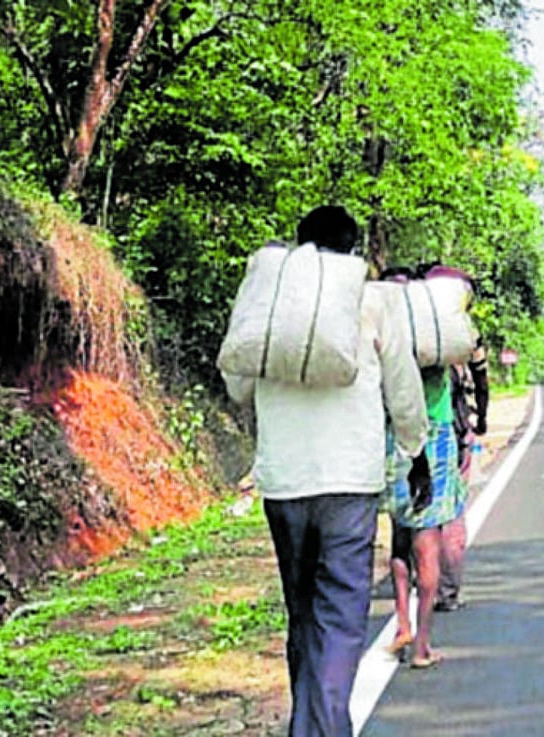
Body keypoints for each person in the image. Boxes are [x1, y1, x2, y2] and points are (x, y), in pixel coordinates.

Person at [222, 206, 429, 737]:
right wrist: (416, 451)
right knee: (339, 620)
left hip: (285, 482)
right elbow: (403, 386)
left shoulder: (273, 305)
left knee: (304, 615)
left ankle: (306, 726)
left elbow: (238, 386)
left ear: (300, 248)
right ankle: (329, 727)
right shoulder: (376, 300)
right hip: (350, 486)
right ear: (354, 252)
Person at [379, 266, 466, 668]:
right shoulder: (433, 336)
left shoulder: (389, 335)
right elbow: (467, 356)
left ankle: (401, 623)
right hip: (436, 436)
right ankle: (423, 645)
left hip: (395, 432)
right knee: (427, 540)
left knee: (399, 536)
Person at [436, 273, 488, 612]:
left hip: (408, 434)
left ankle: (414, 580)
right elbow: (481, 379)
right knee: (453, 511)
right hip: (454, 432)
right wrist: (481, 418)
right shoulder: (464, 334)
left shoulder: (408, 329)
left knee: (409, 516)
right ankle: (447, 591)